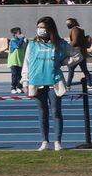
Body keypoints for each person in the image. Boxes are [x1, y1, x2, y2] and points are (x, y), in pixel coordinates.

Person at [25, 16, 68, 151]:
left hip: (54, 81)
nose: (40, 30)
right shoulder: (32, 44)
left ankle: (58, 142)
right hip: (37, 82)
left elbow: (76, 55)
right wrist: (25, 81)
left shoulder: (60, 43)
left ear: (50, 28)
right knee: (42, 112)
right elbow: (26, 64)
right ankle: (44, 142)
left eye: (43, 27)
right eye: (39, 27)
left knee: (56, 111)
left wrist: (63, 62)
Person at [63, 17, 90, 89]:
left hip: (77, 53)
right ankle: (89, 84)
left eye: (68, 23)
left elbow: (75, 41)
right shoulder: (79, 29)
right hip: (82, 52)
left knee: (71, 68)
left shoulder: (74, 30)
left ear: (73, 23)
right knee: (84, 69)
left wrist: (67, 46)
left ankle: (68, 85)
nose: (67, 24)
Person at [7, 26, 26, 94]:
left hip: (20, 61)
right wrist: (21, 39)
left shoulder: (22, 41)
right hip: (14, 61)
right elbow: (17, 46)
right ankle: (13, 87)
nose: (21, 34)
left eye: (21, 32)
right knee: (14, 74)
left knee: (20, 75)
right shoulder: (13, 41)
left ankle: (19, 87)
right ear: (14, 34)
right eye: (19, 33)